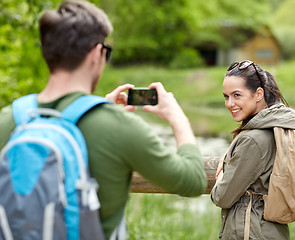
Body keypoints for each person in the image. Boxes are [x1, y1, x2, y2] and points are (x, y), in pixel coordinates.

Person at [0, 1, 207, 239]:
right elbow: (192, 180)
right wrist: (177, 117)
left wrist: (96, 106)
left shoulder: (9, 119)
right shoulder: (118, 126)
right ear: (96, 54)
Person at [210, 60, 295, 240]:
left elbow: (222, 196)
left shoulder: (254, 139)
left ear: (258, 94)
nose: (230, 103)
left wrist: (221, 175)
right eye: (226, 96)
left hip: (249, 232)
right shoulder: (278, 127)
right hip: (268, 231)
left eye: (237, 95)